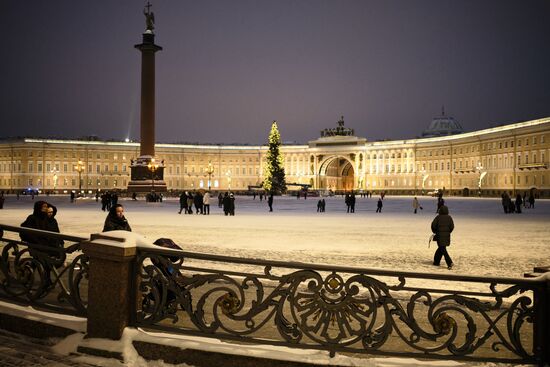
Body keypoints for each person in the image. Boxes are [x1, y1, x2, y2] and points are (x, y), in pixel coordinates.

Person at [431, 205, 454, 269]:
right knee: (441, 249)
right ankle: (436, 262)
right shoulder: (449, 218)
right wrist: (448, 232)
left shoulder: (438, 217)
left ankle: (449, 263)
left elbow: (433, 225)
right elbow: (452, 227)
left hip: (439, 236)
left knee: (442, 249)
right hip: (446, 236)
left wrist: (435, 231)